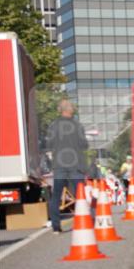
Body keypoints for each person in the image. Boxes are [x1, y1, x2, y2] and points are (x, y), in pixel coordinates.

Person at [45, 99, 90, 232]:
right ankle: (84, 222)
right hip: (76, 164)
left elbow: (49, 144)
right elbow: (84, 145)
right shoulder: (77, 125)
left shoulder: (54, 125)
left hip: (59, 164)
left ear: (60, 110)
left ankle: (56, 227)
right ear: (70, 110)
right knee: (79, 193)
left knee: (56, 195)